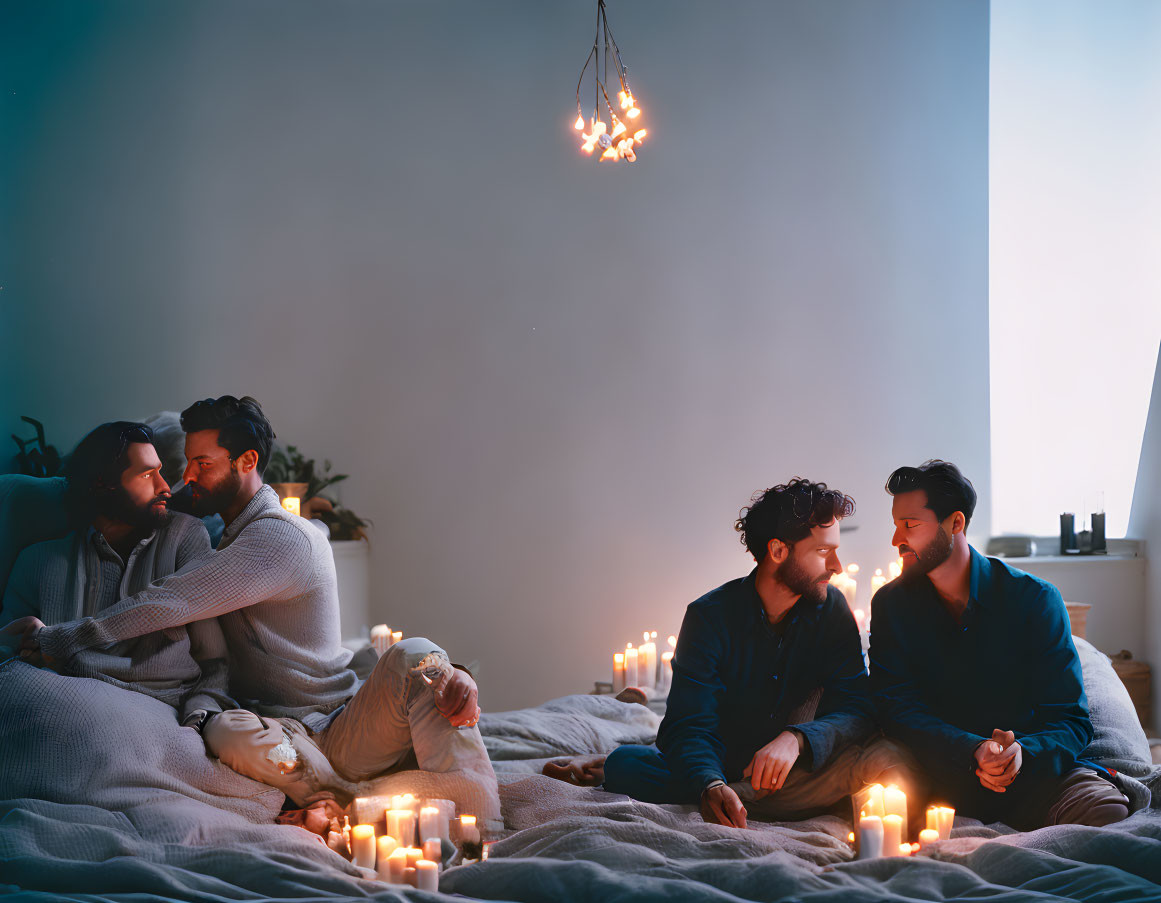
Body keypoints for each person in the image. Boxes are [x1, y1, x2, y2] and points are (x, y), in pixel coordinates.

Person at [7, 397, 499, 824]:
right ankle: (355, 798)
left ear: (246, 461)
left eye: (201, 464)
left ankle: (451, 805)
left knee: (421, 655)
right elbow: (134, 501)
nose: (183, 479)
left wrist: (66, 636)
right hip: (286, 736)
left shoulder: (276, 538)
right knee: (224, 728)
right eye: (184, 464)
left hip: (341, 725)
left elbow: (172, 598)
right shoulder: (226, 530)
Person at [545, 479, 919, 828]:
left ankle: (744, 795)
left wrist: (797, 739)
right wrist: (709, 784)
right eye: (823, 552)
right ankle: (727, 793)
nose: (836, 566)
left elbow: (856, 708)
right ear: (777, 551)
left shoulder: (832, 609)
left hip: (799, 766)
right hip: (725, 762)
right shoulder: (709, 616)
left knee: (891, 758)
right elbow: (690, 725)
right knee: (629, 765)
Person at [869, 459, 1129, 829]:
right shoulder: (890, 604)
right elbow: (894, 708)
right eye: (896, 526)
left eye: (910, 525)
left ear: (955, 523)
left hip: (1034, 775)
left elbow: (1071, 719)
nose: (897, 540)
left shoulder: (1034, 599)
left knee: (1108, 810)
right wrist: (972, 748)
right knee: (883, 794)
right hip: (939, 775)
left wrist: (1021, 753)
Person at [1, 421, 232, 723]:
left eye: (160, 472)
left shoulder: (184, 538)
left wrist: (201, 715)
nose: (164, 487)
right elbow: (8, 660)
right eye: (148, 474)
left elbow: (214, 662)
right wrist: (23, 644)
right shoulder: (37, 561)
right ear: (102, 484)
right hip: (61, 706)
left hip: (160, 714)